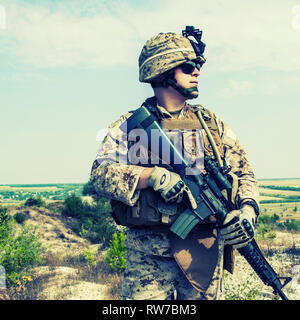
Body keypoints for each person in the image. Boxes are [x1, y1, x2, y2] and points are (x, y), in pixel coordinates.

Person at [90, 26, 260, 300]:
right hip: (147, 258)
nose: (197, 72)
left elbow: (244, 172)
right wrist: (150, 176)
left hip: (203, 254)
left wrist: (248, 210)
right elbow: (100, 174)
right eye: (188, 66)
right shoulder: (130, 126)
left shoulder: (212, 125)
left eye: (197, 66)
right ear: (163, 70)